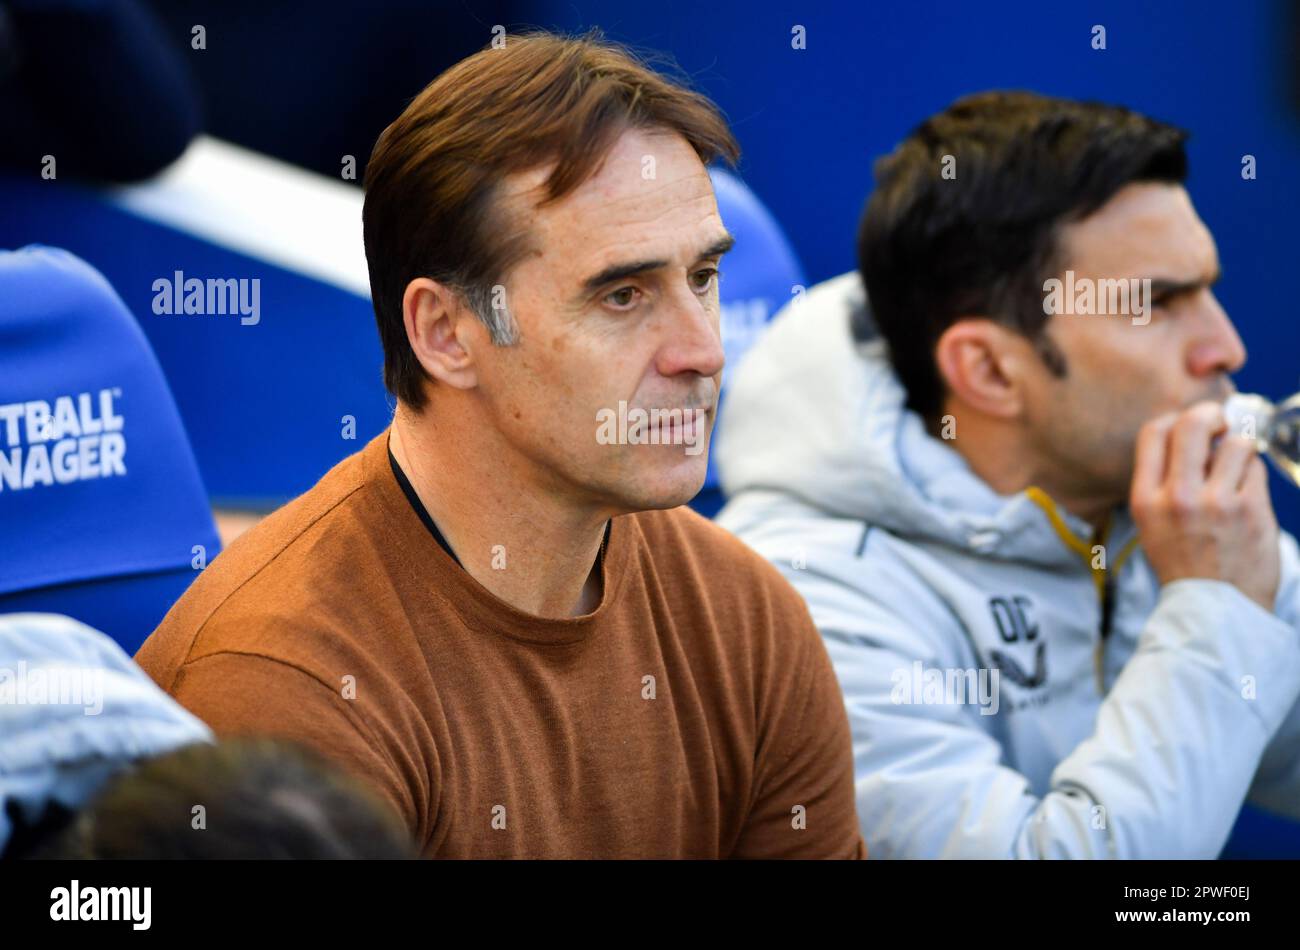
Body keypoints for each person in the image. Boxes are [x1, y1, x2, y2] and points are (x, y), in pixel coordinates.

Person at [135, 31, 865, 859]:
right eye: (623, 296)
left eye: (702, 277)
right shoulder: (283, 685)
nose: (703, 349)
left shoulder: (748, 618)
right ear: (445, 332)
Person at [715, 91, 1300, 858]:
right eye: (1158, 303)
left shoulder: (1159, 510)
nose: (1225, 348)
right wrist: (1217, 611)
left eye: (1208, 288)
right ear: (988, 370)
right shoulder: (800, 598)